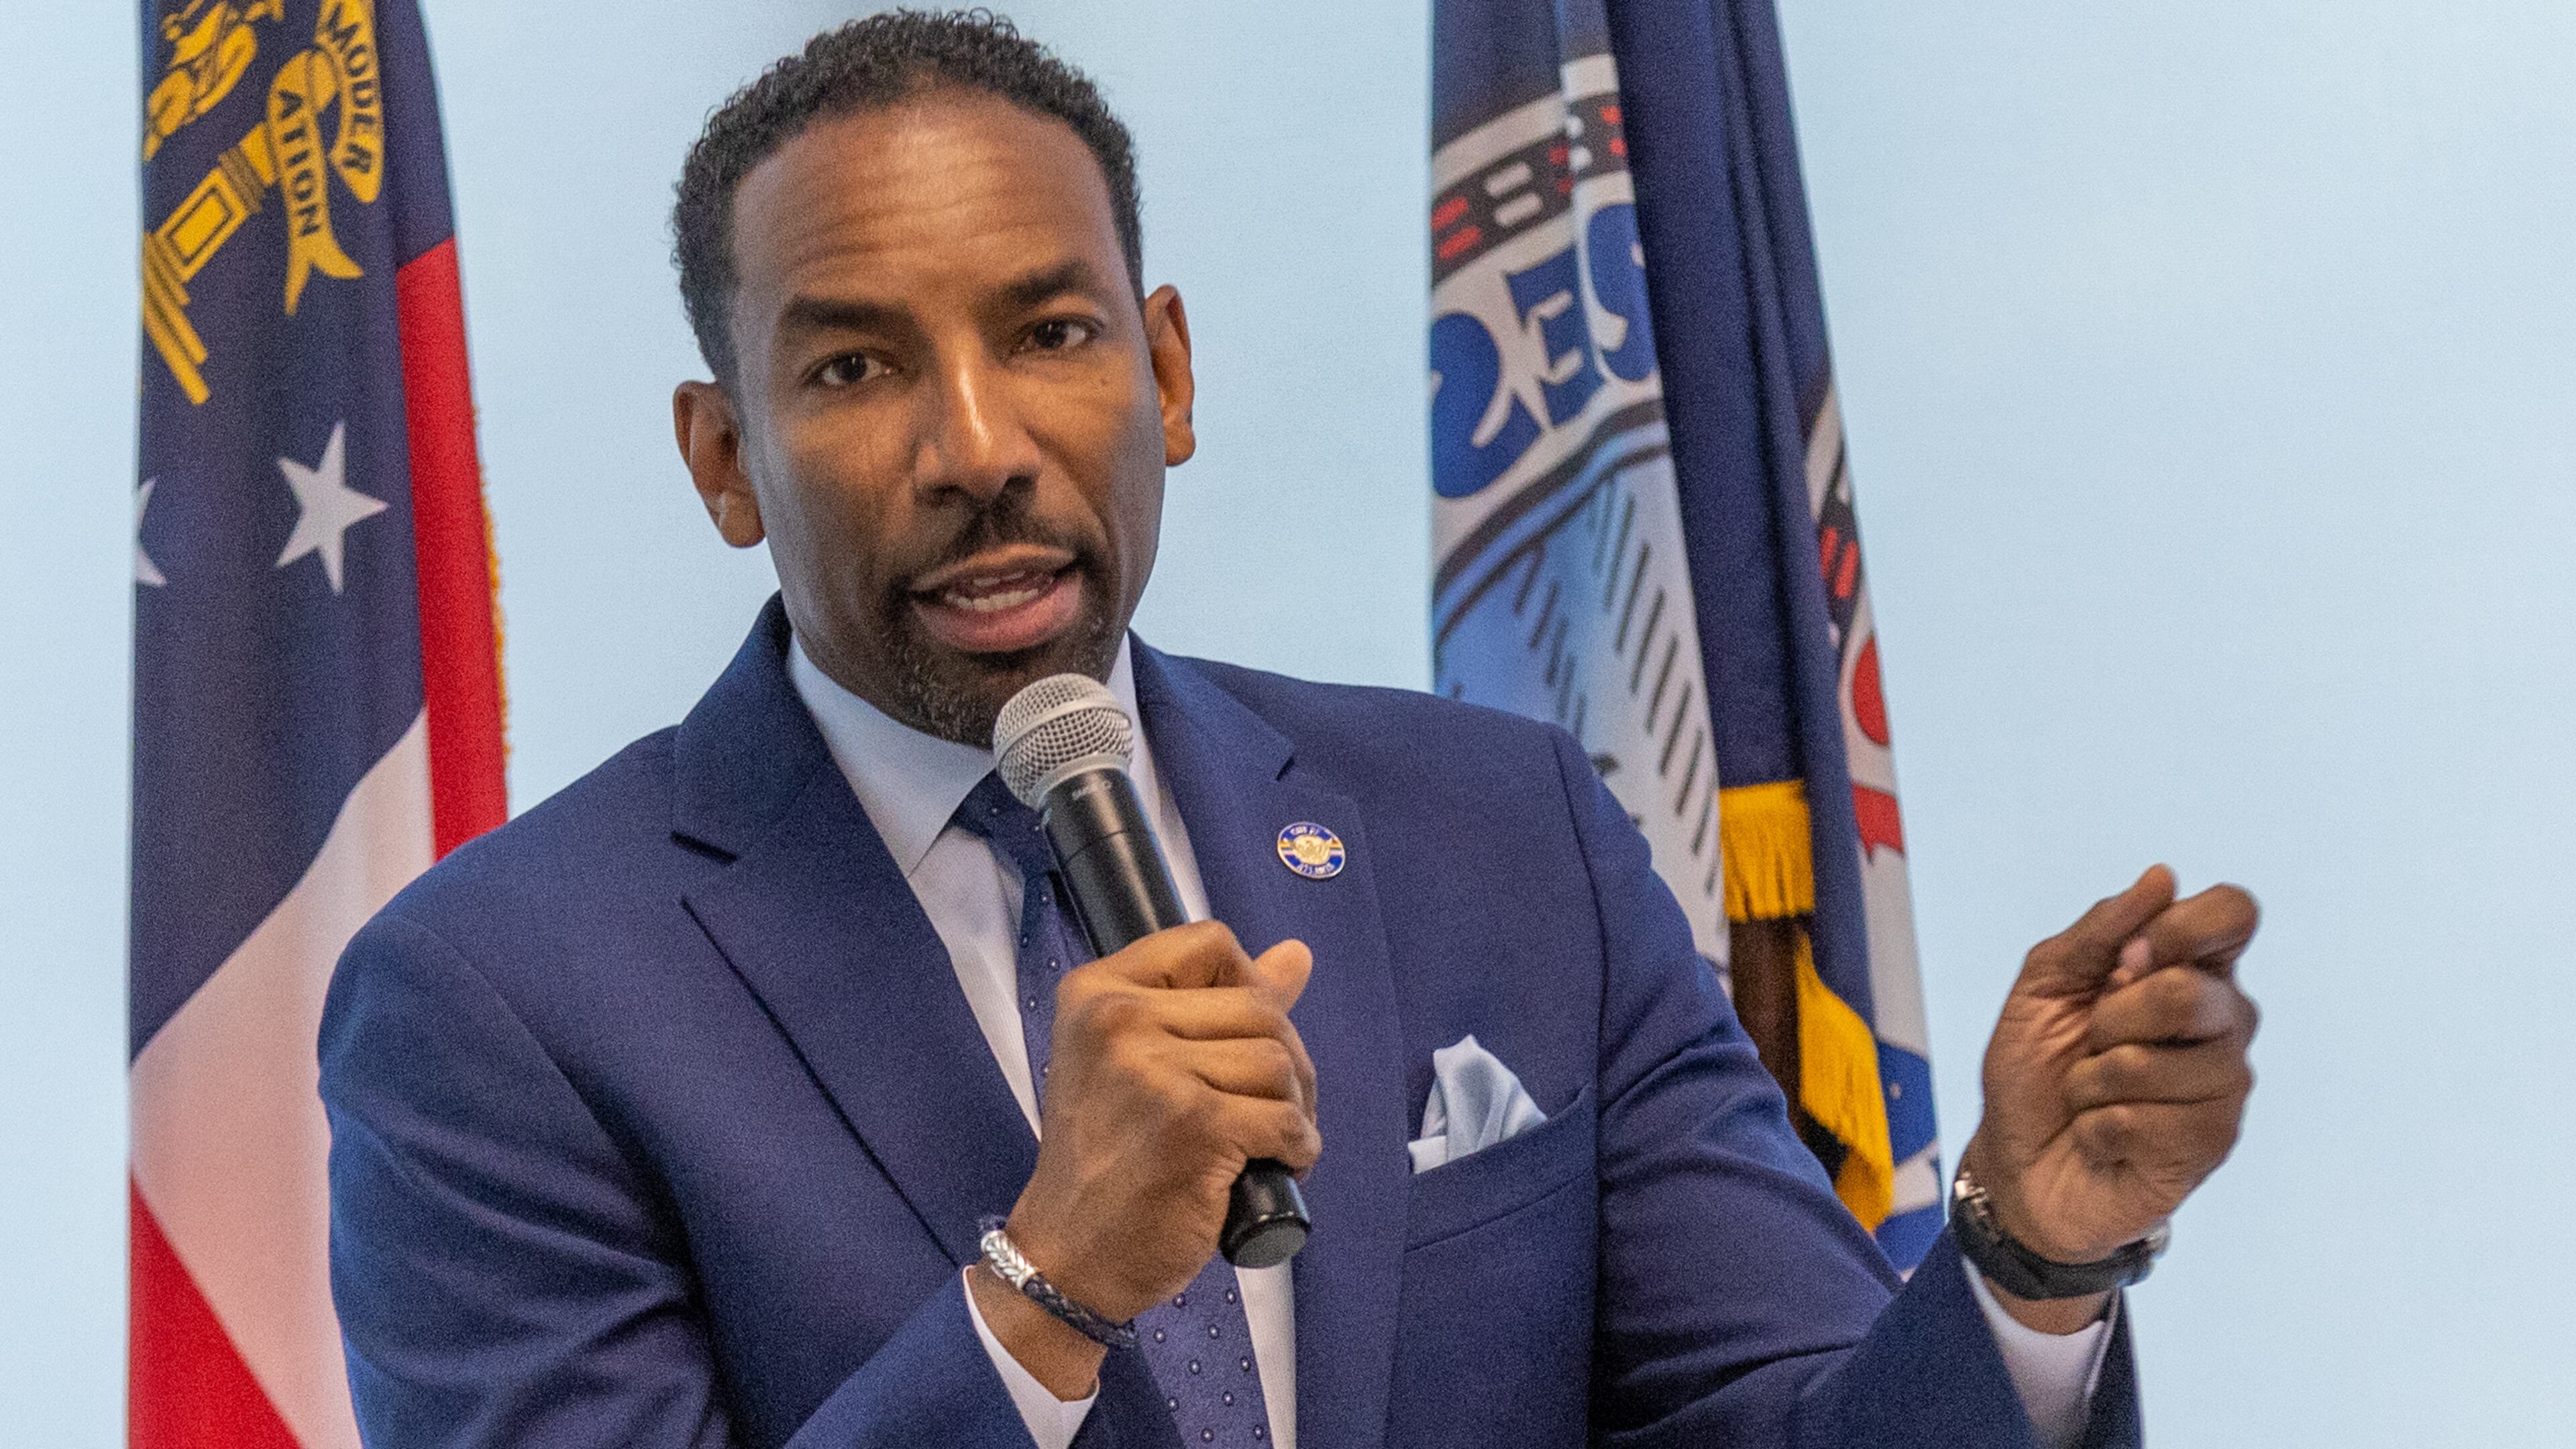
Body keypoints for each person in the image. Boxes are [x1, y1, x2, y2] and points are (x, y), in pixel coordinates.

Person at [319, 12, 2260, 1448]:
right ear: (724, 459)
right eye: (853, 368)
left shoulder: (1504, 835)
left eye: (1052, 334)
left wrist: (2029, 1264)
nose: (978, 449)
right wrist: (1048, 1292)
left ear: (1166, 372)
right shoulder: (492, 998)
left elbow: (1779, 1417)